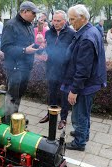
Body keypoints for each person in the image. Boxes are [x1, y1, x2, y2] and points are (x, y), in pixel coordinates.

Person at [63, 4, 107, 151]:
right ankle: (83, 133)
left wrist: (74, 90)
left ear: (82, 18)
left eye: (73, 19)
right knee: (84, 111)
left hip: (85, 85)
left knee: (79, 113)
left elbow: (83, 69)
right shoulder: (92, 30)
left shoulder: (87, 37)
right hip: (92, 81)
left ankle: (79, 142)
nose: (70, 22)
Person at [1, 1, 40, 124]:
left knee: (19, 94)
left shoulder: (29, 25)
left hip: (26, 67)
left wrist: (37, 47)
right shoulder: (10, 25)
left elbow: (28, 44)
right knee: (12, 96)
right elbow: (5, 47)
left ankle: (15, 116)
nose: (35, 15)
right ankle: (8, 122)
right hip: (15, 67)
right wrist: (24, 50)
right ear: (24, 11)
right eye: (33, 13)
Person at [38, 10, 75, 131]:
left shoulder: (71, 33)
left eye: (58, 21)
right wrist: (43, 50)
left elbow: (74, 52)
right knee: (51, 93)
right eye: (54, 20)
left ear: (64, 21)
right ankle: (50, 114)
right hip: (51, 68)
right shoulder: (48, 32)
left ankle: (63, 118)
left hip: (65, 70)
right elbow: (47, 48)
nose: (56, 23)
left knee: (64, 95)